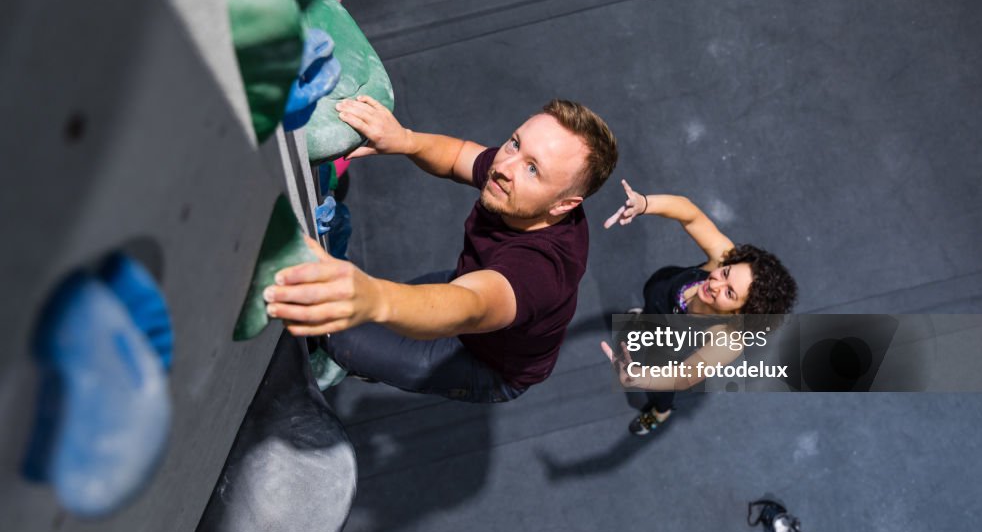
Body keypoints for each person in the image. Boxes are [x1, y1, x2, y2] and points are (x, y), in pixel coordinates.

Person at [263, 95, 618, 403]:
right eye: (514, 143)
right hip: (467, 282)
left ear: (563, 206)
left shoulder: (538, 272)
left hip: (489, 362)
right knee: (391, 309)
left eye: (533, 169)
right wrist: (405, 140)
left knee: (340, 337)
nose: (504, 167)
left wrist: (375, 299)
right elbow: (457, 156)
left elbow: (470, 306)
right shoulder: (516, 179)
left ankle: (342, 361)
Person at [601, 180, 797, 435]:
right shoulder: (724, 256)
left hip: (669, 351)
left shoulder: (728, 340)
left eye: (729, 293)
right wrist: (644, 203)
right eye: (725, 273)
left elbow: (684, 375)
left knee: (661, 389)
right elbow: (689, 213)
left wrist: (639, 378)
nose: (715, 283)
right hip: (658, 298)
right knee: (650, 314)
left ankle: (661, 412)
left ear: (740, 313)